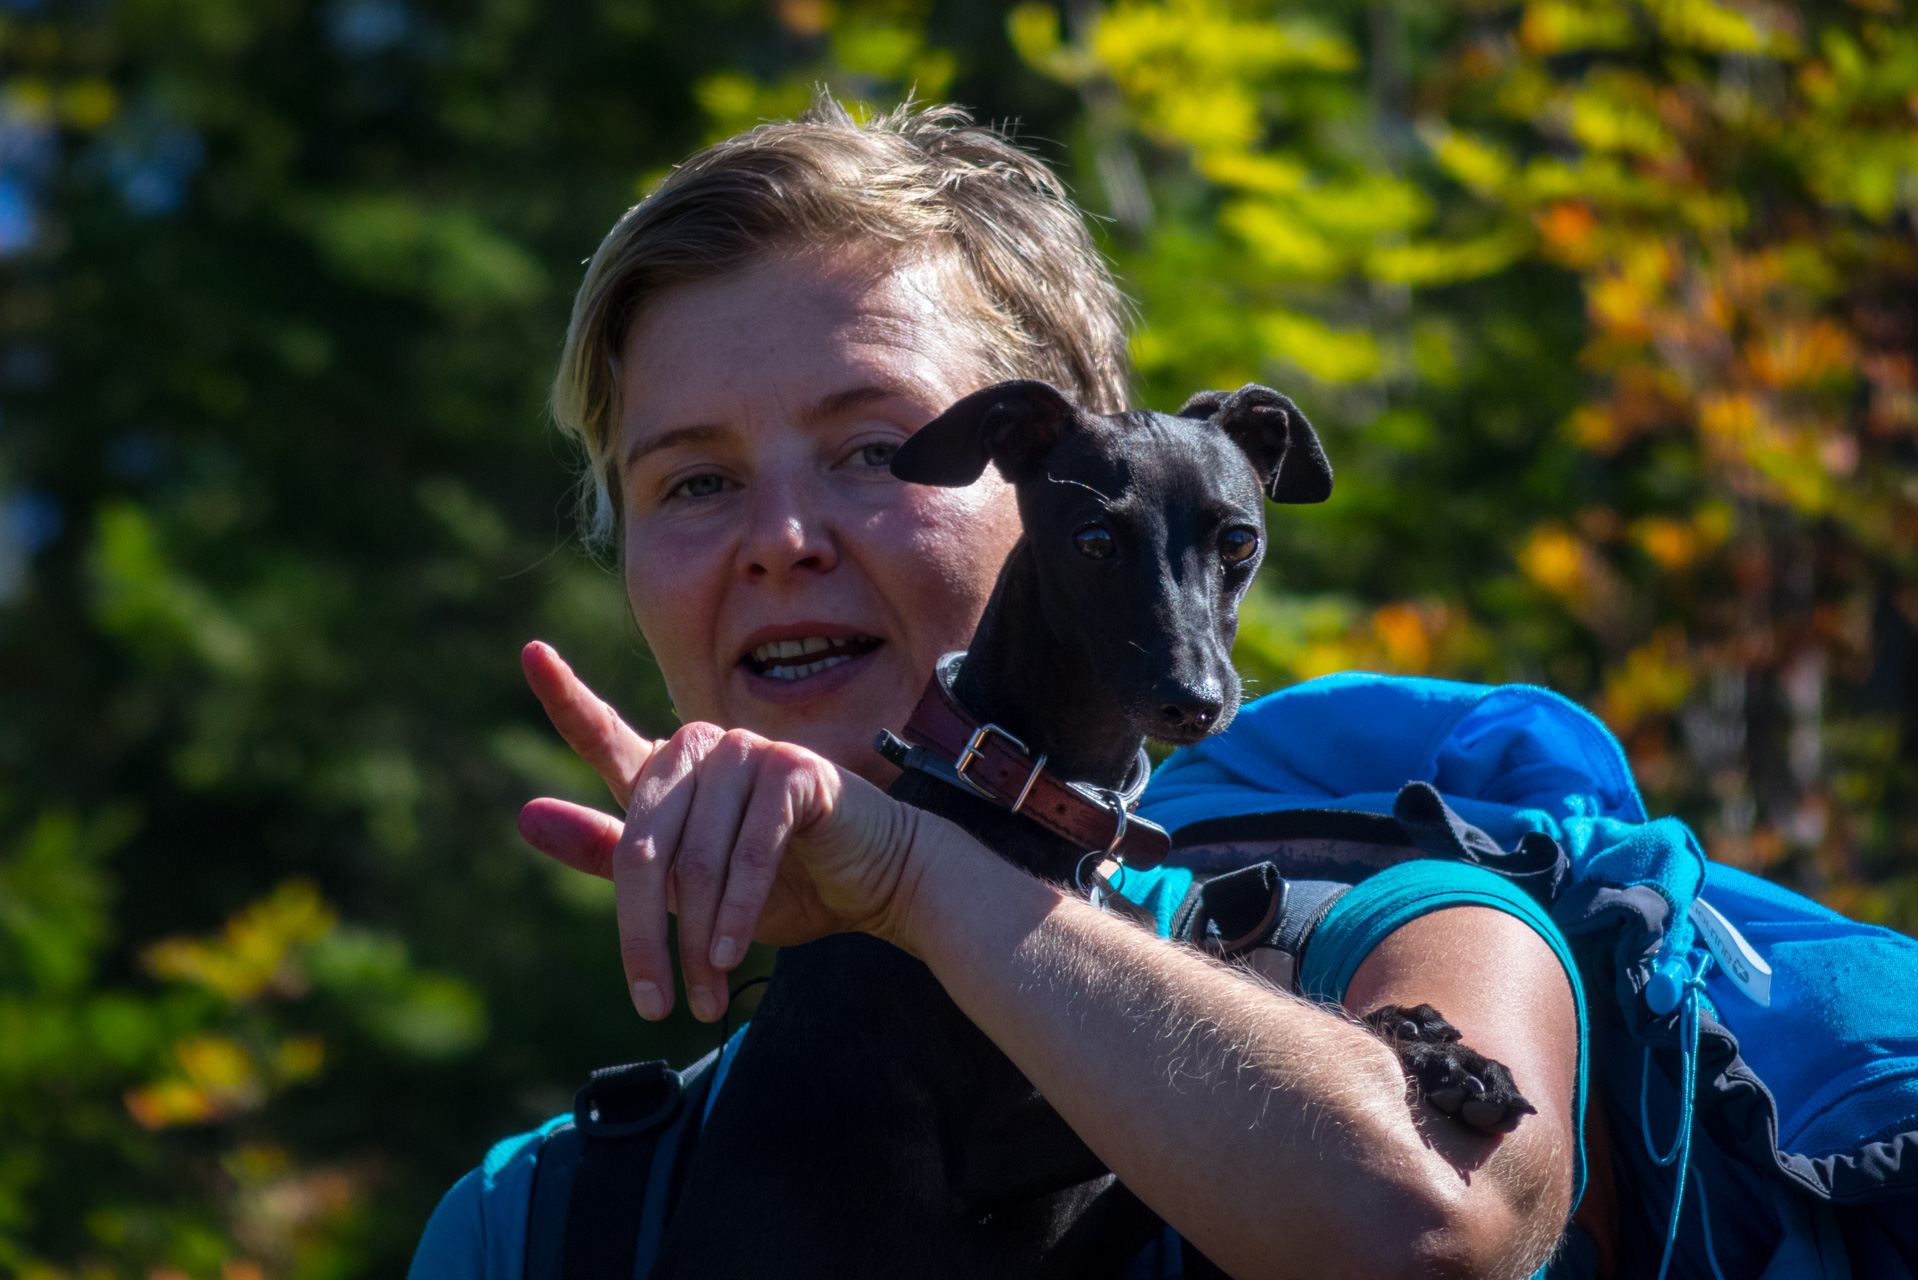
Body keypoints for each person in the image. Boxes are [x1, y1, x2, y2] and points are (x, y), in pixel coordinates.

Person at [410, 98, 1588, 1280]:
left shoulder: (1387, 937)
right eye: (697, 481)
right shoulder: (544, 1222)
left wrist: (912, 877)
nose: (779, 538)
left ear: (1060, 470)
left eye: (876, 450)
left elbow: (1432, 1230)